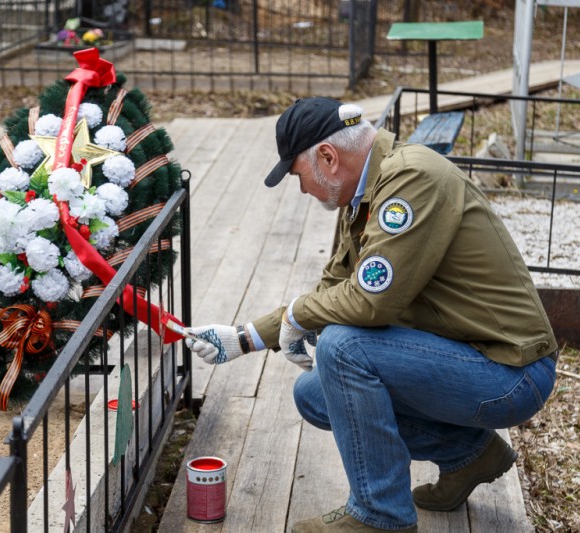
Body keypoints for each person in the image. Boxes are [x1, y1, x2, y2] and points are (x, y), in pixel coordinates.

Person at [174, 97, 558, 532]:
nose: (302, 190)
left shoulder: (411, 179)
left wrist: (300, 314)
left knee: (344, 346)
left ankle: (381, 515)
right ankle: (469, 456)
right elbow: (332, 289)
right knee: (315, 395)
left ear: (328, 156)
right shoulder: (365, 194)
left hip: (510, 372)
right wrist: (244, 337)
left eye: (298, 177)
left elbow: (372, 302)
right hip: (464, 354)